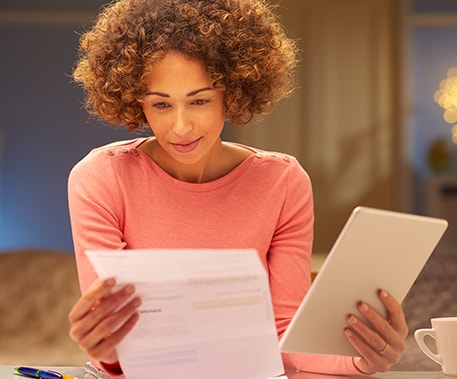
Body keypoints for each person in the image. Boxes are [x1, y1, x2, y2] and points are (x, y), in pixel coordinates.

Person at [67, 0, 408, 376]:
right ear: (136, 101)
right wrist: (107, 348)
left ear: (233, 92)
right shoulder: (101, 178)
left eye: (199, 100)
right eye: (161, 104)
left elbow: (284, 335)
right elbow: (116, 342)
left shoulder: (282, 182)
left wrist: (364, 359)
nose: (181, 126)